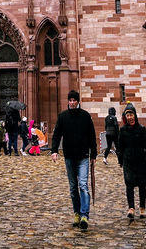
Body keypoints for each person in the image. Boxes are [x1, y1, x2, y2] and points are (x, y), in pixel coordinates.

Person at [51, 89, 97, 232]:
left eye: (74, 100)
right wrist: (54, 151)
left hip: (83, 156)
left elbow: (92, 136)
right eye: (70, 100)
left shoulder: (85, 116)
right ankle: (76, 213)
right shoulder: (63, 116)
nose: (72, 102)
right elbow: (57, 134)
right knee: (72, 188)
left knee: (83, 184)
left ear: (78, 101)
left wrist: (94, 155)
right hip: (69, 156)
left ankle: (84, 215)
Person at [117, 105, 146, 220]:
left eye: (131, 115)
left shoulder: (141, 129)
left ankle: (142, 208)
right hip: (128, 160)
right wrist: (120, 159)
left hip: (140, 160)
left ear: (135, 116)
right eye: (128, 115)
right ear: (125, 117)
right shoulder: (123, 130)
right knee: (129, 184)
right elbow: (120, 146)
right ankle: (131, 208)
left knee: (142, 185)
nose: (130, 117)